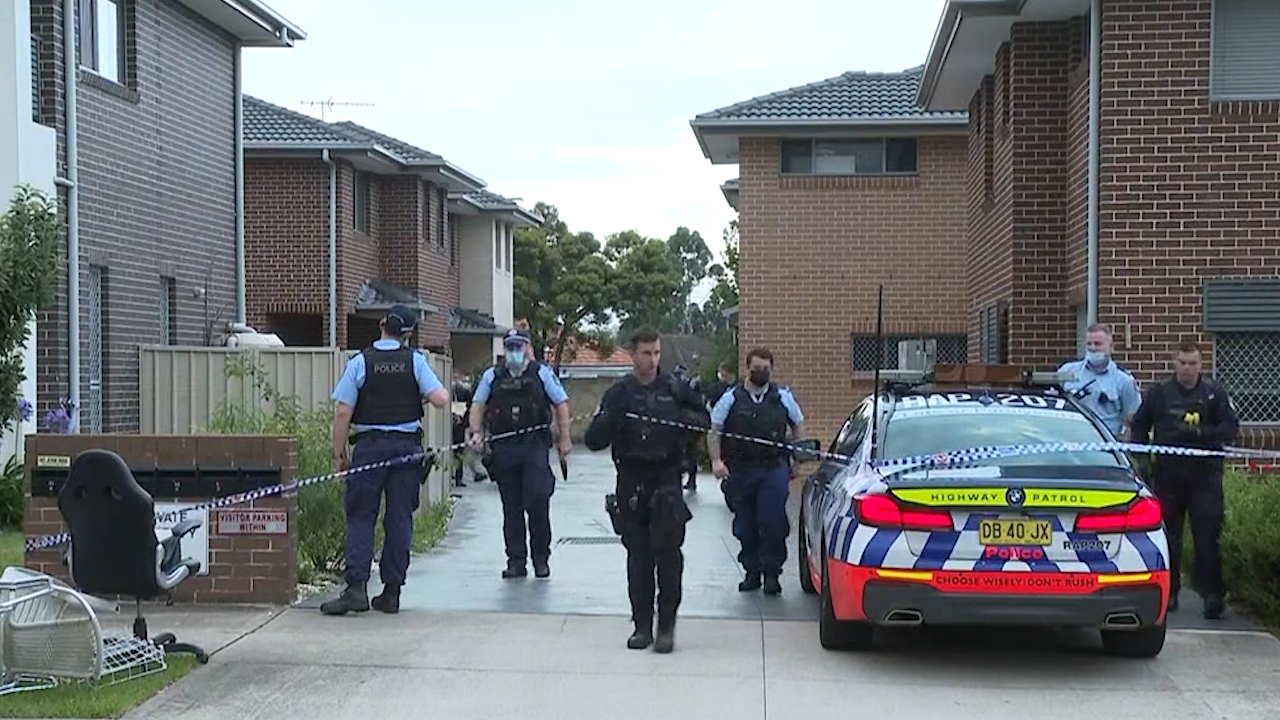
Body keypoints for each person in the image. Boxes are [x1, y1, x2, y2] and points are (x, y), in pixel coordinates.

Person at [585, 327, 709, 653]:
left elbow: (704, 420)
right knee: (638, 559)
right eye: (646, 353)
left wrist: (683, 420)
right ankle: (642, 625)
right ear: (632, 354)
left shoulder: (675, 388)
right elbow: (594, 439)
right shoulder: (619, 394)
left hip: (667, 480)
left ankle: (666, 625)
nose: (652, 360)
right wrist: (610, 420)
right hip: (631, 482)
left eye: (656, 353)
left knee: (668, 558)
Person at [321, 305, 450, 616]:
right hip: (406, 449)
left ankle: (356, 590)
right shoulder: (415, 361)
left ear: (381, 325)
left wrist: (339, 454)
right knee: (399, 518)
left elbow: (342, 412)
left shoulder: (360, 362)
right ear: (407, 333)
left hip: (369, 448)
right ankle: (391, 592)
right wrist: (415, 394)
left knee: (361, 517)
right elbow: (441, 399)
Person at [1129, 342, 1239, 619]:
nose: (1187, 368)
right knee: (1169, 539)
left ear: (1200, 365)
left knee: (1206, 538)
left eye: (1192, 363)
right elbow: (1139, 426)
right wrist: (1142, 462)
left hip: (1205, 478)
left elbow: (1230, 429)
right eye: (1182, 363)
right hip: (1169, 477)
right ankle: (1171, 592)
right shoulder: (1159, 394)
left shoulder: (1215, 394)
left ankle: (1212, 596)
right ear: (1174, 364)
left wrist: (1201, 435)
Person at [468, 328, 572, 579]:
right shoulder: (493, 376)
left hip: (534, 445)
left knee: (537, 500)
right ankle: (516, 560)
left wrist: (564, 438)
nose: (515, 351)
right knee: (511, 506)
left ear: (527, 347)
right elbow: (478, 404)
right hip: (505, 446)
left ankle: (540, 558)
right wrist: (475, 431)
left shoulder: (542, 374)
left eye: (519, 346)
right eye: (510, 346)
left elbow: (561, 403)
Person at [708, 347, 807, 596]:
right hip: (741, 471)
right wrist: (717, 461)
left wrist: (798, 460)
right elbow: (714, 430)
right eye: (756, 368)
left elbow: (798, 426)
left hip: (773, 470)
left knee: (773, 522)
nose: (761, 372)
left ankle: (772, 573)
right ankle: (752, 571)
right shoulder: (732, 397)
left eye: (766, 369)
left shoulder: (782, 397)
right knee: (745, 524)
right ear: (748, 368)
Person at [1058, 324, 1142, 439]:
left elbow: (1131, 420)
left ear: (1111, 347)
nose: (1092, 348)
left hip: (1105, 446)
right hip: (1072, 442)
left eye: (1098, 344)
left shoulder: (1123, 381)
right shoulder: (1067, 372)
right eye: (1089, 344)